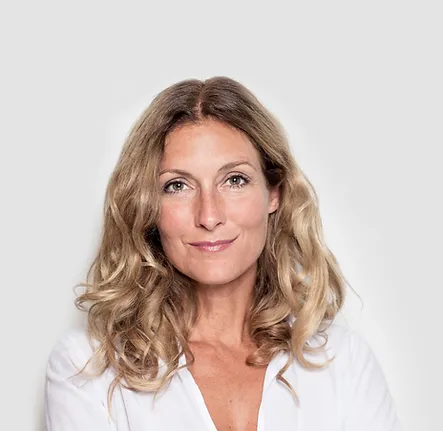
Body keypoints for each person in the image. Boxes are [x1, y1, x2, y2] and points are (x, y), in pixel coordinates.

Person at [44, 76, 402, 430]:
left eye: (234, 180)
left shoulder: (343, 362)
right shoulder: (88, 367)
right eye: (177, 185)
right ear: (147, 205)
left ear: (273, 193)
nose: (209, 216)